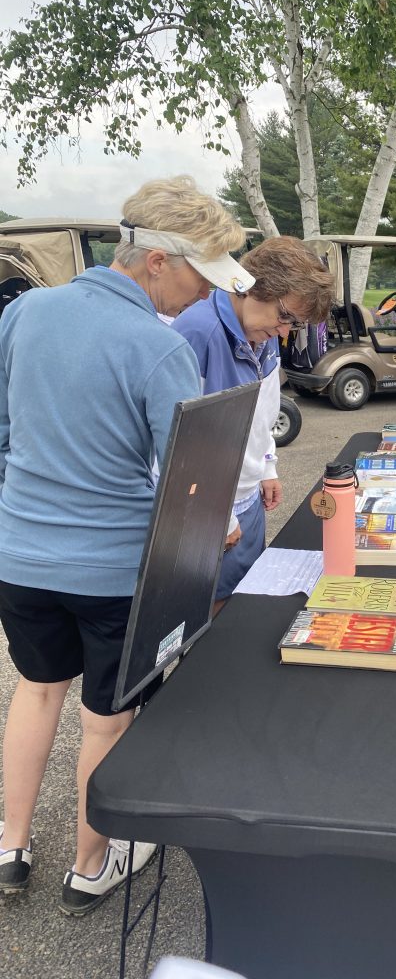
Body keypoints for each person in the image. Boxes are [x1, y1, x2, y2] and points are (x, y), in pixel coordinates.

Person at [0, 176, 252, 915]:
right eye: (201, 278)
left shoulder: (23, 313)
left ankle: (10, 846)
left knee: (36, 690)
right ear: (157, 261)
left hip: (19, 555)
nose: (204, 297)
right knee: (107, 718)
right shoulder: (157, 347)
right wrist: (220, 525)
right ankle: (91, 865)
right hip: (111, 570)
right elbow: (185, 485)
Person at [172, 236, 334, 609]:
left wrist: (267, 466)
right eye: (285, 317)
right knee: (210, 621)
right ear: (250, 286)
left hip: (246, 497)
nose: (284, 332)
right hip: (210, 508)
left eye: (295, 324)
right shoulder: (197, 334)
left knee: (243, 605)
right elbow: (180, 446)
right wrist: (218, 514)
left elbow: (265, 410)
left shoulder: (262, 330)